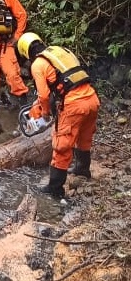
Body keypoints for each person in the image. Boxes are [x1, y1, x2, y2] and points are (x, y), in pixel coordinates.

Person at [16, 33, 100, 198]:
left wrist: (45, 113)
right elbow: (66, 80)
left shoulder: (38, 64)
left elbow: (44, 96)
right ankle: (83, 170)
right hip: (92, 99)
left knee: (62, 145)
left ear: (25, 53)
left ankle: (55, 187)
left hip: (74, 105)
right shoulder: (62, 51)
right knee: (84, 137)